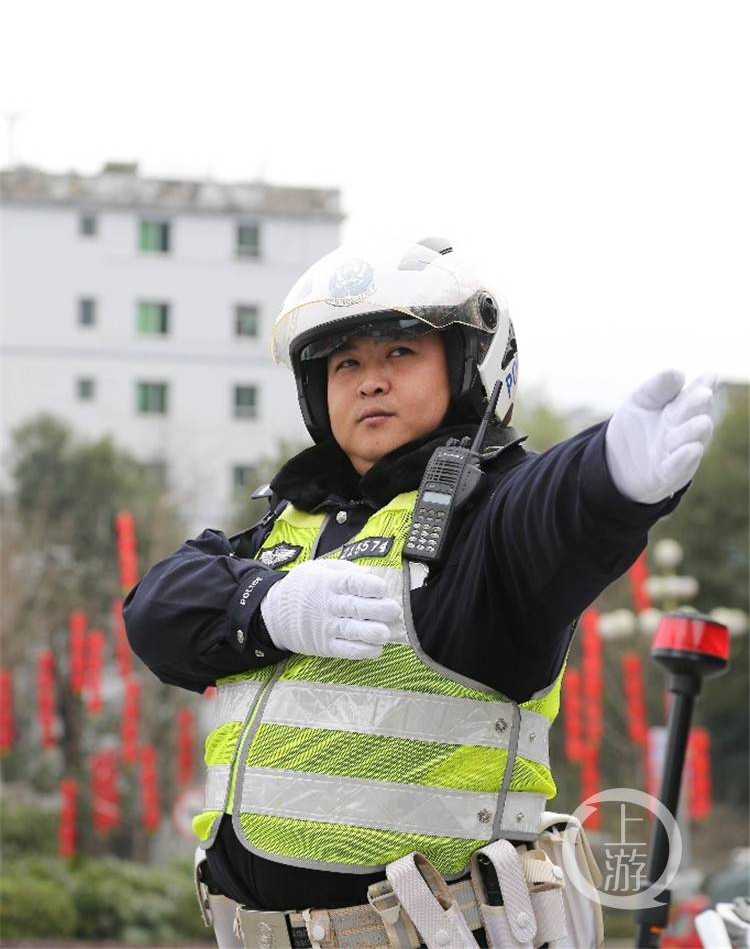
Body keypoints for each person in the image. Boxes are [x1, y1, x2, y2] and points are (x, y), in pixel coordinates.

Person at [124, 236, 716, 948]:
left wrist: (611, 475)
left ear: (469, 369)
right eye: (345, 364)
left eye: (400, 353)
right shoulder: (288, 524)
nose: (370, 381)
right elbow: (156, 609)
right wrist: (266, 605)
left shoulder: (485, 523)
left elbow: (548, 511)